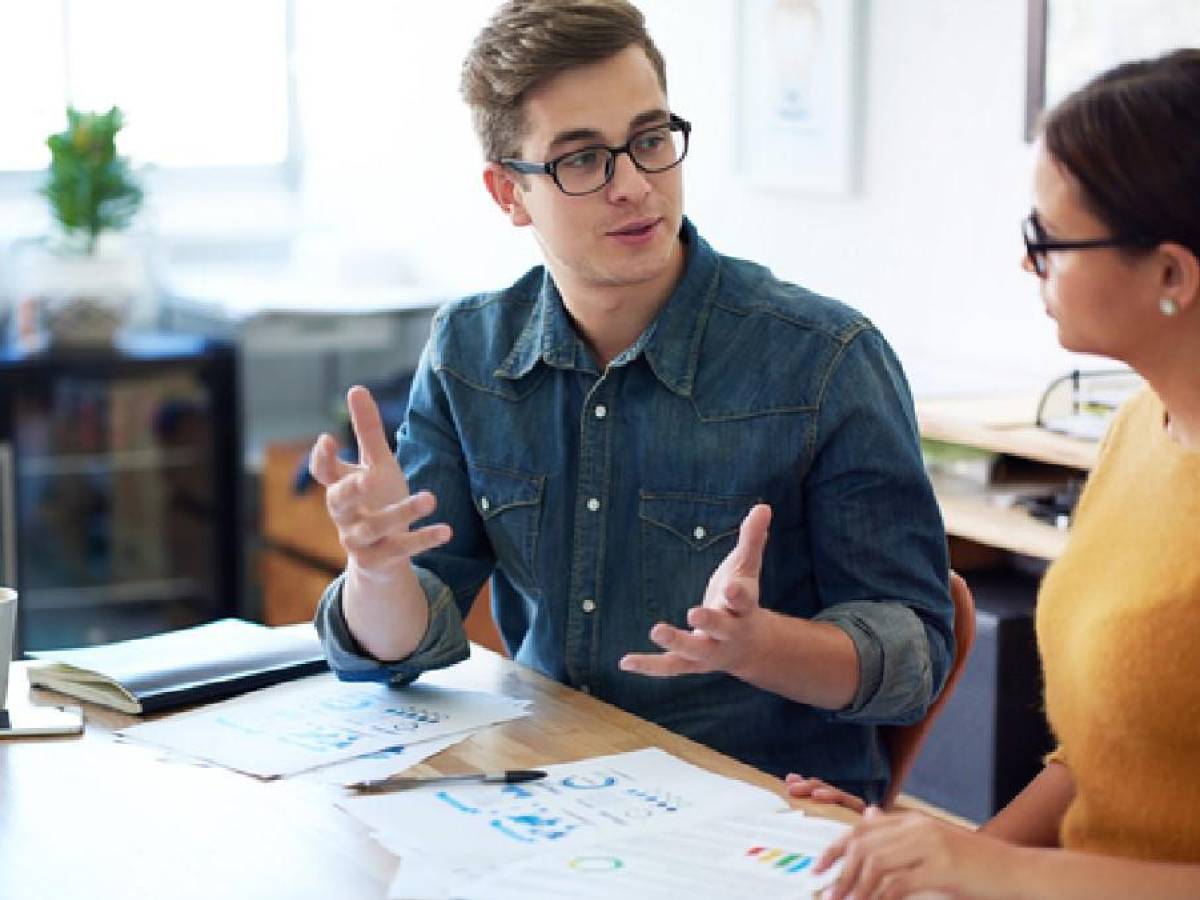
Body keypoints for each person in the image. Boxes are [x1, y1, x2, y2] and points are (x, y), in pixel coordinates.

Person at [308, 0, 953, 802]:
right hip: (547, 794)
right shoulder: (471, 352)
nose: (634, 187)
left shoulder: (824, 359)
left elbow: (916, 660)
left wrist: (757, 646)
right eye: (582, 160)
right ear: (509, 193)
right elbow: (400, 651)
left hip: (760, 811)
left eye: (650, 141)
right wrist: (376, 573)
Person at [789, 48, 1200, 899]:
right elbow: (1102, 761)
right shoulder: (1139, 430)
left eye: (1046, 240)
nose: (1028, 265)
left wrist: (995, 870)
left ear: (1171, 274)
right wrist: (924, 857)